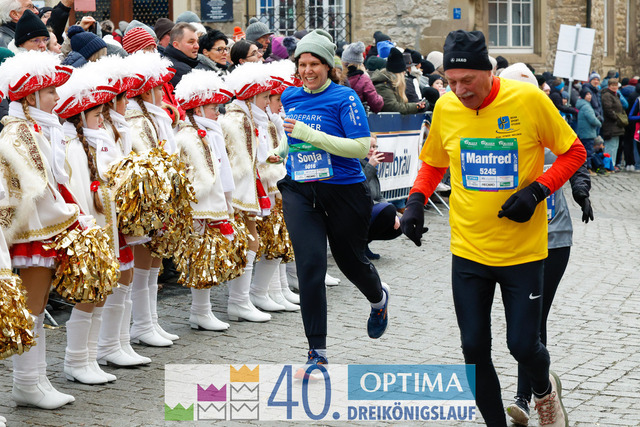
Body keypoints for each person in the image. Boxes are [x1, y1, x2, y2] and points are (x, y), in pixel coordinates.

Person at [400, 30, 586, 427]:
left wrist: (537, 191)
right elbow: (434, 162)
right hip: (469, 251)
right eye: (451, 81)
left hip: (522, 252)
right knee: (473, 349)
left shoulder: (529, 100)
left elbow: (574, 152)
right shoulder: (447, 107)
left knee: (522, 345)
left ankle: (543, 391)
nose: (459, 90)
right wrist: (415, 200)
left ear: (489, 71)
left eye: (467, 80)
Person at [267, 30, 390, 368]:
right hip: (301, 190)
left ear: (328, 66)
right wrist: (281, 150)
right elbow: (293, 135)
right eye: (302, 64)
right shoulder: (291, 95)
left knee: (351, 263)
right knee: (310, 266)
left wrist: (311, 134)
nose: (307, 71)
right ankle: (317, 352)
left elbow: (360, 148)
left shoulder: (344, 98)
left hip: (343, 191)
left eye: (314, 64)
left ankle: (378, 299)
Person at [499, 67, 594, 426]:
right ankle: (543, 386)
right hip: (513, 239)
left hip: (555, 238)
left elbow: (575, 155)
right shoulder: (496, 128)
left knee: (534, 318)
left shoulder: (549, 119)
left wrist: (581, 189)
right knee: (520, 322)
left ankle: (526, 398)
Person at [0, 49, 78, 409]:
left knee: (39, 302)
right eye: (50, 92)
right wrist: (70, 217)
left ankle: (36, 380)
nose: (57, 98)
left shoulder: (37, 129)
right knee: (32, 306)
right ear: (31, 98)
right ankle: (27, 382)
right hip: (32, 231)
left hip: (44, 227)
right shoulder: (18, 134)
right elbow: (35, 190)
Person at [55, 67, 122, 384]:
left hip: (105, 230)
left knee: (101, 293)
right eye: (96, 114)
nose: (102, 119)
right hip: (89, 233)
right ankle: (75, 360)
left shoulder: (96, 143)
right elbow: (78, 193)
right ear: (80, 117)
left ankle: (90, 357)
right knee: (89, 294)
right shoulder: (73, 149)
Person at [174, 69, 237, 330]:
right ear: (198, 109)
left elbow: (223, 170)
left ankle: (203, 311)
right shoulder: (188, 136)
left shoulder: (209, 132)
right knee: (200, 257)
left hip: (213, 205)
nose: (218, 112)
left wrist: (226, 201)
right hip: (198, 208)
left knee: (208, 257)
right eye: (213, 108)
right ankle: (199, 312)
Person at [359, 135, 402, 259]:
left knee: (401, 222)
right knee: (387, 211)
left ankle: (363, 245)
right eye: (369, 147)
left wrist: (395, 214)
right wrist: (371, 166)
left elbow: (379, 196)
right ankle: (356, 245)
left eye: (375, 146)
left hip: (369, 209)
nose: (372, 150)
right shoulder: (355, 163)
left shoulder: (370, 165)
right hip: (355, 211)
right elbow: (359, 188)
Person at [371, 47, 425, 114]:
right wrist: (416, 107)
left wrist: (417, 106)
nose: (405, 73)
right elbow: (393, 107)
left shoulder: (389, 83)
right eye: (403, 72)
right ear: (399, 73)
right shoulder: (383, 85)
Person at [342, 41, 384, 113]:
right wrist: (380, 98)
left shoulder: (338, 78)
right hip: (357, 115)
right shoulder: (364, 79)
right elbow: (376, 105)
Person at [600, 77, 626, 172]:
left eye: (616, 85)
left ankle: (612, 165)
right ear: (609, 86)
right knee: (610, 147)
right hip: (610, 125)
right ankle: (607, 166)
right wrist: (617, 118)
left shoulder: (616, 95)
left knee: (615, 146)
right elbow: (608, 109)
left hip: (616, 126)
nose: (614, 87)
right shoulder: (607, 95)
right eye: (612, 85)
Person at [163, 22, 199, 87]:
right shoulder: (182, 71)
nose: (197, 46)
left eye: (197, 42)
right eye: (191, 42)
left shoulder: (167, 60)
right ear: (176, 45)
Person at [576, 89, 601, 172]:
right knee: (588, 152)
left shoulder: (582, 105)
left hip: (583, 132)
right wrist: (599, 123)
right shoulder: (587, 106)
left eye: (590, 94)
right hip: (588, 133)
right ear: (583, 96)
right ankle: (588, 169)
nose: (590, 96)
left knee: (584, 151)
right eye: (587, 94)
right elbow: (592, 119)